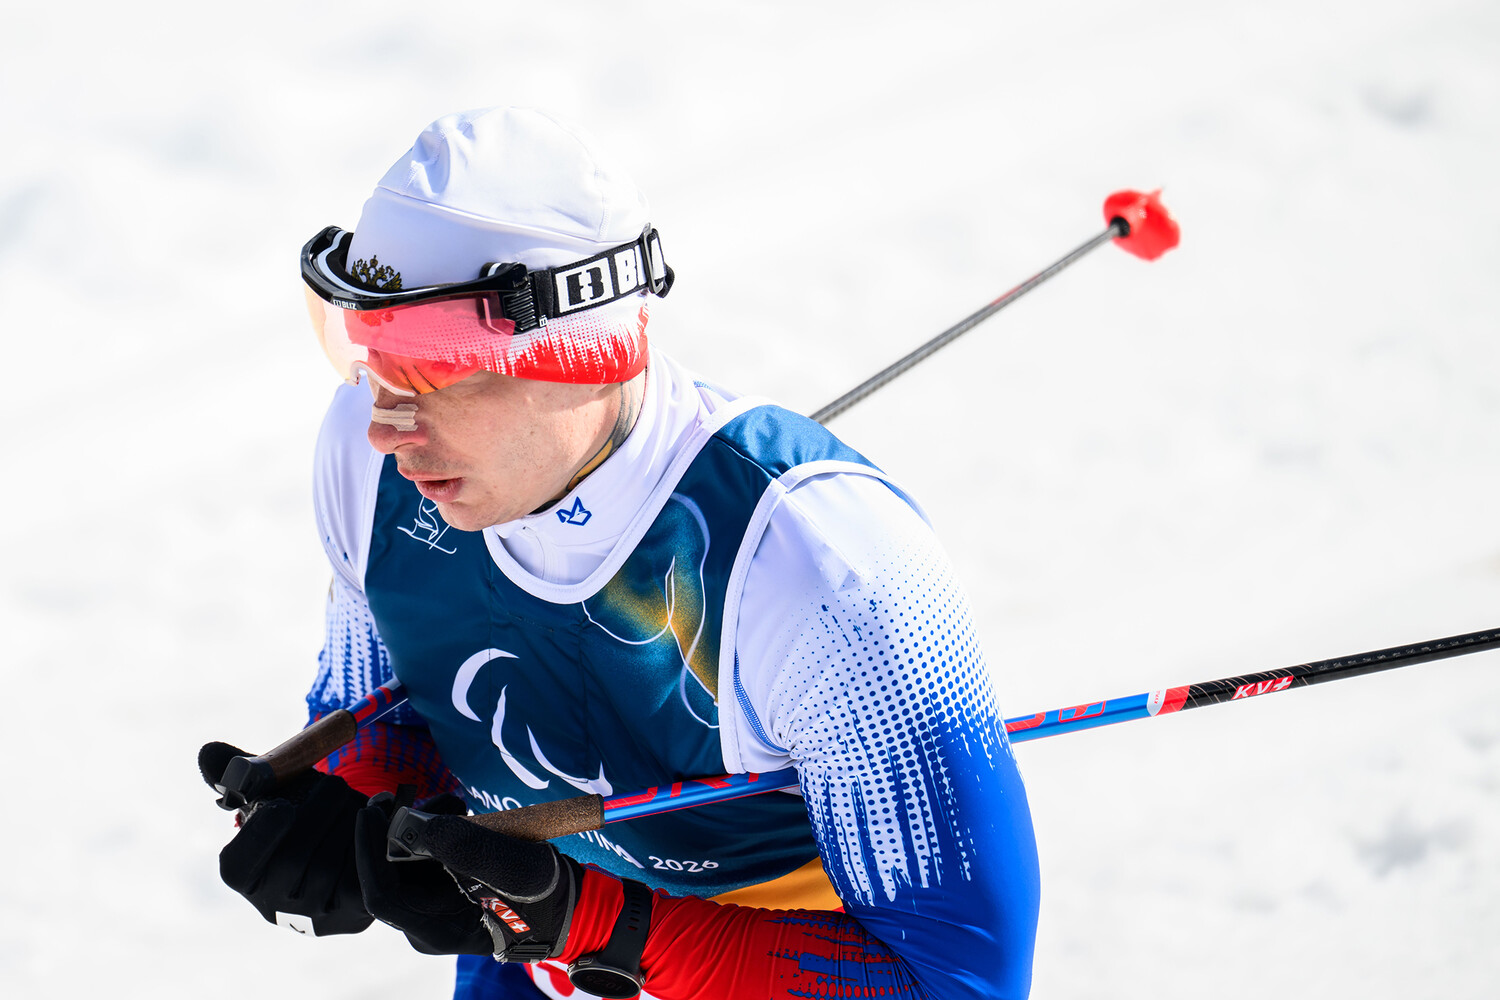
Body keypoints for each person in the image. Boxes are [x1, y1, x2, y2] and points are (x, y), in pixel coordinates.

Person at [200, 106, 1041, 1000]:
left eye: (431, 367)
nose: (385, 425)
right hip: (532, 958)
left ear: (583, 353)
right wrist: (353, 810)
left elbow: (959, 983)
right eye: (364, 352)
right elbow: (399, 722)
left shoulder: (822, 569)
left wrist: (594, 923)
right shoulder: (372, 472)